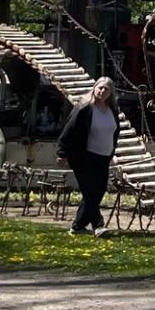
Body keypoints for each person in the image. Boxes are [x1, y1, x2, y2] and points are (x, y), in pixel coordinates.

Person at [57, 77, 119, 236]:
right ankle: (98, 226)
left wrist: (112, 151)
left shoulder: (112, 110)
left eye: (106, 89)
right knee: (90, 191)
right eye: (100, 87)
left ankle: (77, 227)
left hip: (103, 157)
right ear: (94, 88)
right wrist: (62, 153)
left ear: (110, 93)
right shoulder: (84, 108)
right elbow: (69, 130)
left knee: (97, 192)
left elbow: (114, 133)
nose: (102, 91)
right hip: (83, 156)